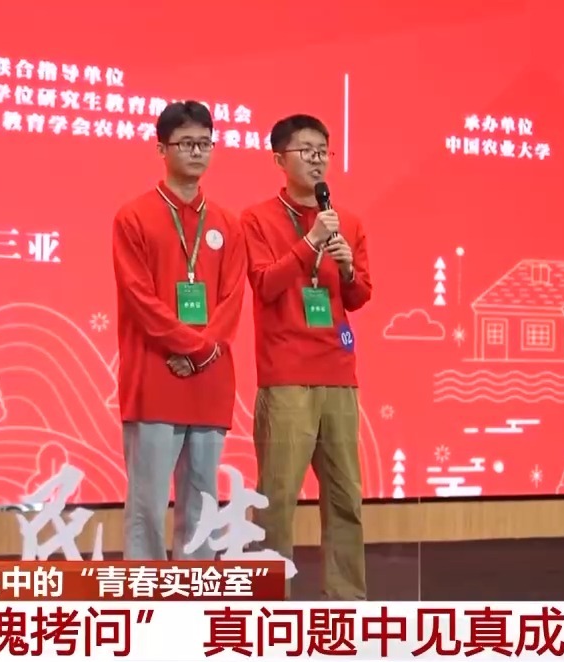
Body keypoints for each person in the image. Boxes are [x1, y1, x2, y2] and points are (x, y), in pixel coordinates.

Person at [240, 114, 372, 599]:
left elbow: (359, 296)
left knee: (345, 498)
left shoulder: (347, 221)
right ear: (280, 159)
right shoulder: (256, 219)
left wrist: (348, 268)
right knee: (276, 500)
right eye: (306, 151)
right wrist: (309, 242)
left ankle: (347, 603)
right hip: (287, 375)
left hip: (339, 372)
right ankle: (268, 606)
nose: (317, 160)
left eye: (323, 151)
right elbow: (264, 284)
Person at [111, 100, 247, 560]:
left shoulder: (227, 223)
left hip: (209, 382)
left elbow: (232, 299)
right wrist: (194, 347)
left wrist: (202, 353)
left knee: (201, 507)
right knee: (146, 508)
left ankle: (193, 596)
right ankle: (143, 597)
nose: (197, 152)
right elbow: (139, 298)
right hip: (155, 377)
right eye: (186, 143)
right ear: (161, 149)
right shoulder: (133, 217)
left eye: (204, 143)